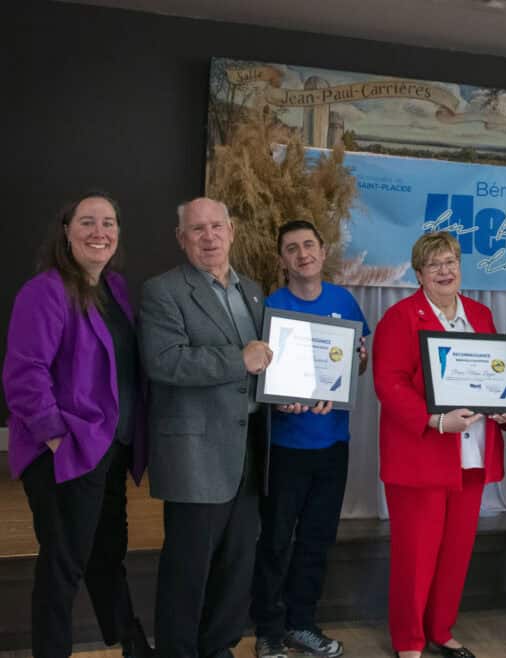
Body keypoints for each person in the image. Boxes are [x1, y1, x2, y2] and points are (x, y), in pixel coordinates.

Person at [2, 192, 151, 658]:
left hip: (111, 449)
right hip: (67, 452)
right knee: (63, 567)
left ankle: (132, 644)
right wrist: (56, 439)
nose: (99, 232)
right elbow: (24, 374)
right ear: (66, 231)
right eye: (87, 222)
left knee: (108, 555)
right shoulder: (45, 291)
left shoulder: (115, 289)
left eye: (108, 222)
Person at [139, 197, 273, 658]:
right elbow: (164, 362)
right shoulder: (162, 291)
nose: (209, 236)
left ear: (232, 231)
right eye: (197, 229)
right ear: (182, 239)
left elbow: (267, 363)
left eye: (217, 226)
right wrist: (238, 360)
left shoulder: (252, 290)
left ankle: (218, 648)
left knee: (237, 565)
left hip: (249, 448)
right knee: (188, 570)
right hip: (195, 454)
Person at [372, 231, 506, 658]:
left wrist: (505, 407)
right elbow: (389, 384)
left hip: (471, 455)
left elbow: (494, 374)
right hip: (421, 457)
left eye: (451, 261)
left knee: (455, 553)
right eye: (434, 264)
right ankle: (409, 641)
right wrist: (435, 421)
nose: (445, 270)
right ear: (419, 274)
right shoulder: (401, 317)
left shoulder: (480, 314)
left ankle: (440, 629)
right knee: (416, 557)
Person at [250, 220, 370, 658]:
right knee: (276, 541)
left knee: (317, 540)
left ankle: (302, 624)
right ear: (282, 259)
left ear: (322, 251)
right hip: (286, 447)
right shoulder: (270, 306)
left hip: (333, 443)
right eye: (291, 248)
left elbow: (358, 362)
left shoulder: (344, 301)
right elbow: (260, 372)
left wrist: (358, 360)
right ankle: (268, 630)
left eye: (308, 245)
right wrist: (278, 398)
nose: (302, 254)